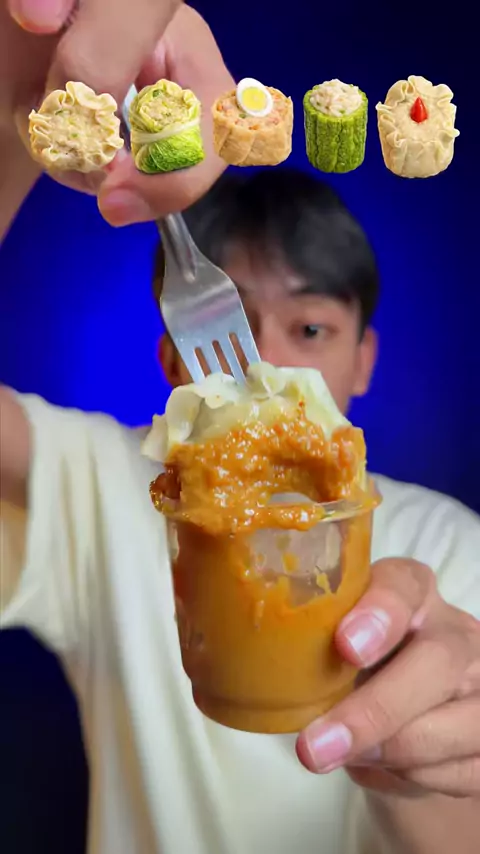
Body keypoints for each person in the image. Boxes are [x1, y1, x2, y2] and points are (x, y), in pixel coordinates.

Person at [1, 4, 480, 854]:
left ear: (364, 361)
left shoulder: (452, 548)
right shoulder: (101, 485)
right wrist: (16, 71)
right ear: (173, 360)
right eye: (230, 328)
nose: (265, 369)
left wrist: (415, 765)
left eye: (310, 329)